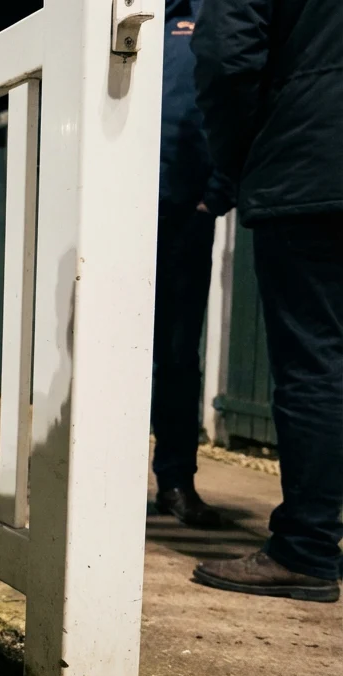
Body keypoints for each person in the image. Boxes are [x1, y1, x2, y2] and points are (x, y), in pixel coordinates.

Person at [191, 0, 342, 602]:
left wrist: (235, 160)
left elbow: (227, 56)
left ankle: (305, 550)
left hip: (317, 162)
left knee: (316, 360)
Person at [150, 0, 235, 528]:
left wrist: (217, 192)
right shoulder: (130, 15)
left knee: (178, 353)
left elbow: (236, 91)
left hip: (184, 210)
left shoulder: (216, 15)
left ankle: (176, 482)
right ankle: (91, 481)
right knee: (96, 349)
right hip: (116, 212)